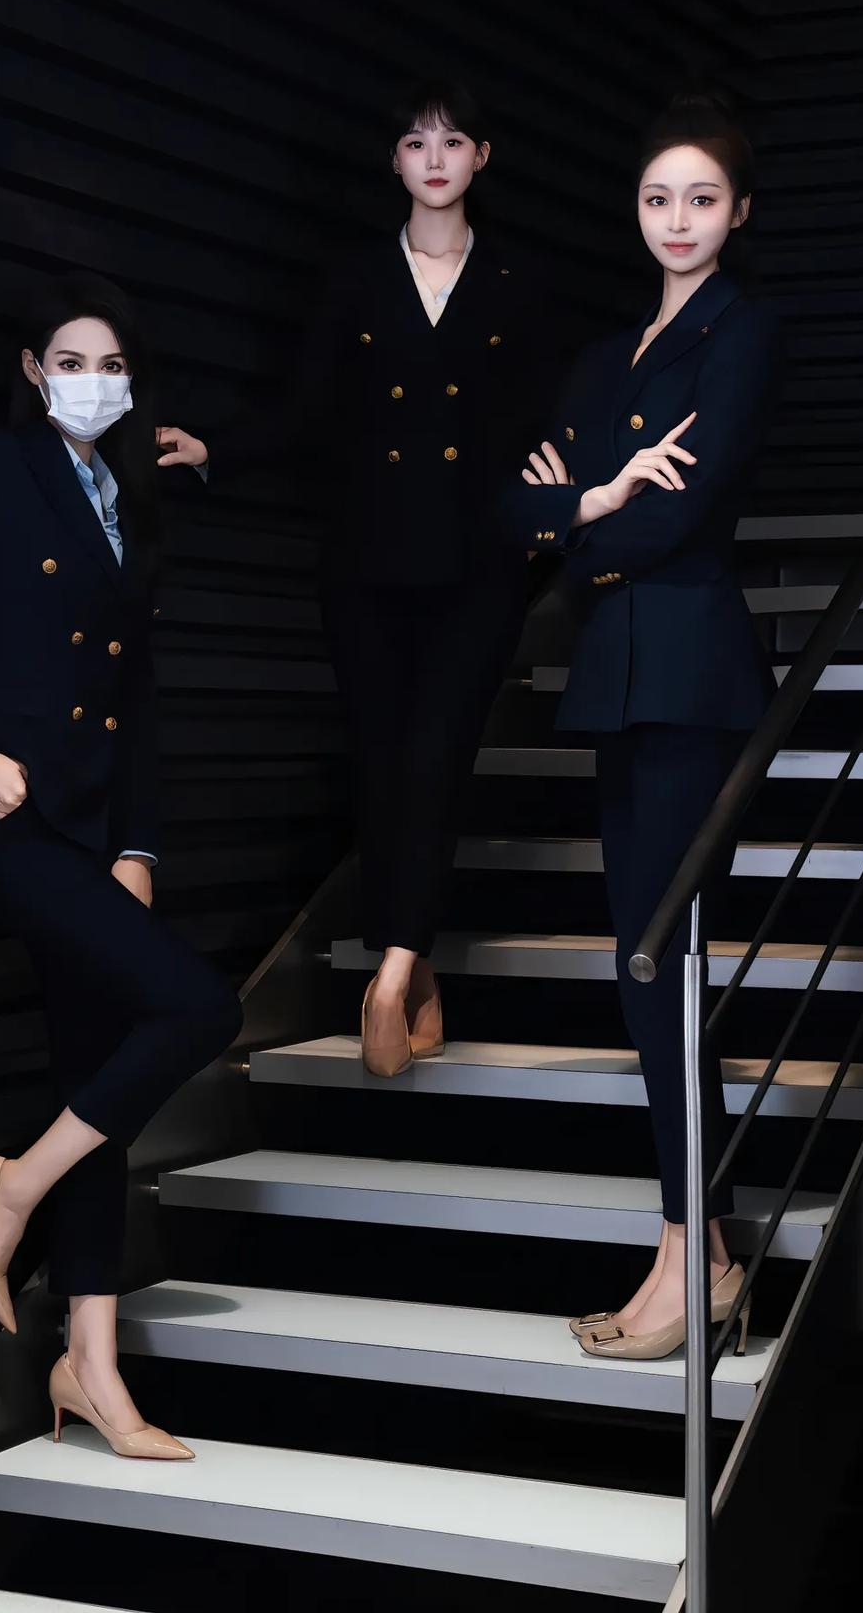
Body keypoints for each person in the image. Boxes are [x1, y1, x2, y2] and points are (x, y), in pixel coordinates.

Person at [0, 270, 242, 1457]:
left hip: (93, 830)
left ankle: (90, 1366)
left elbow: (132, 693)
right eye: (71, 363)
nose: (92, 382)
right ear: (34, 371)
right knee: (201, 1007)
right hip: (5, 815)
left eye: (110, 365)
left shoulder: (129, 497)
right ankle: (13, 1189)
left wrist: (136, 842)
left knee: (100, 1077)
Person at [156, 82, 565, 1077]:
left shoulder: (517, 282)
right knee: (382, 764)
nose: (435, 159)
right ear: (394, 161)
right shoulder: (355, 279)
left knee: (434, 758)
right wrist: (217, 450)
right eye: (416, 142)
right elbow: (309, 411)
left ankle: (390, 970)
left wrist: (558, 487)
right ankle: (416, 978)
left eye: (453, 141)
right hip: (365, 564)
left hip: (476, 565)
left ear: (480, 157)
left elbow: (545, 412)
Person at [504, 93, 782, 1359]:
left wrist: (586, 512)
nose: (677, 220)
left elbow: (677, 514)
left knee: (661, 965)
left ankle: (692, 1255)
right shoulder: (602, 358)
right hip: (615, 669)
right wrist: (589, 503)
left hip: (687, 668)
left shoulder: (740, 332)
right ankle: (693, 1249)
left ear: (736, 212)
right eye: (658, 198)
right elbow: (519, 518)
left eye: (701, 200)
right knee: (641, 967)